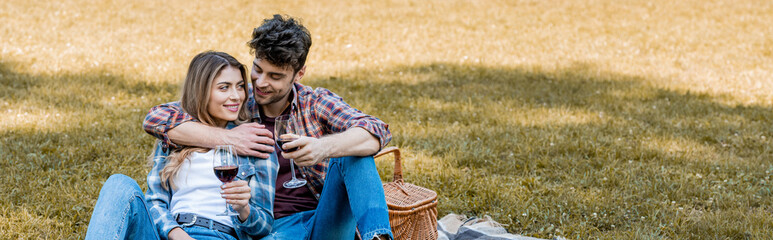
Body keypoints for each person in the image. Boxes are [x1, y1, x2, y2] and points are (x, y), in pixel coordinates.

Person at [143, 15, 394, 240]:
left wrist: (322, 147)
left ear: (299, 74)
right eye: (258, 70)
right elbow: (158, 118)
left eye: (275, 76)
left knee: (355, 156)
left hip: (324, 220)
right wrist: (229, 137)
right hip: (270, 228)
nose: (261, 83)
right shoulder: (237, 102)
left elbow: (375, 130)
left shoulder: (315, 103)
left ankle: (378, 238)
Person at [86, 51, 278, 240]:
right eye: (224, 87)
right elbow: (155, 202)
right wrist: (176, 235)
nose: (236, 96)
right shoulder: (178, 134)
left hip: (220, 234)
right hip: (168, 235)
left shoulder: (256, 142)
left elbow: (264, 226)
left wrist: (244, 208)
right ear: (201, 92)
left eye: (240, 86)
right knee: (118, 184)